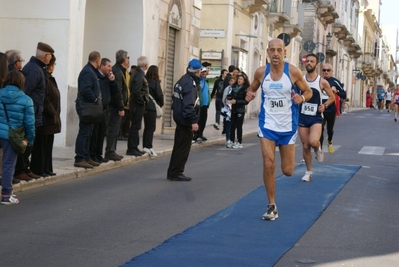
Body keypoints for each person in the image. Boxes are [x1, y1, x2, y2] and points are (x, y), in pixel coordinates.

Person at [245, 38, 312, 220]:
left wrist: (302, 99)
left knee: (288, 171)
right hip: (267, 125)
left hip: (288, 125)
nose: (275, 53)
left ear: (284, 53)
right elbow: (251, 89)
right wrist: (249, 95)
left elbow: (308, 91)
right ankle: (271, 206)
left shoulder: (293, 72)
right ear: (267, 52)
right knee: (268, 164)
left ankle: (291, 166)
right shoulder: (261, 72)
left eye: (279, 50)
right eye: (272, 50)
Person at [16, 42, 54, 180]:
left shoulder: (38, 68)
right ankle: (20, 170)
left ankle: (25, 168)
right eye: (50, 55)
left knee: (30, 143)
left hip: (34, 113)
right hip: (29, 113)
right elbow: (26, 92)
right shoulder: (34, 70)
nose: (51, 59)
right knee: (26, 143)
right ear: (46, 56)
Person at [298, 53, 334, 182]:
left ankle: (318, 148)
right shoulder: (300, 80)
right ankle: (308, 172)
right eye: (307, 61)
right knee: (305, 145)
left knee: (313, 141)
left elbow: (332, 97)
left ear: (316, 64)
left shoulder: (322, 81)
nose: (309, 63)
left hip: (316, 117)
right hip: (302, 116)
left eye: (312, 61)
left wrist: (324, 105)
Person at [0, 70, 35, 204]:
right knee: (8, 165)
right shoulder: (26, 100)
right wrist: (29, 140)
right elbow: (30, 123)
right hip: (11, 136)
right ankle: (6, 195)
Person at [167, 59, 201, 181]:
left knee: (178, 147)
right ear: (197, 71)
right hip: (185, 121)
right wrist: (193, 121)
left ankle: (173, 171)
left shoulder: (182, 80)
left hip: (180, 119)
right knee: (183, 148)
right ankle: (176, 172)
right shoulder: (190, 84)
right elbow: (188, 105)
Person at [30, 55, 61, 177]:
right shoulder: (45, 78)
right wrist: (52, 111)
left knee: (48, 144)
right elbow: (45, 98)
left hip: (52, 118)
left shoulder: (50, 78)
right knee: (41, 145)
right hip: (46, 117)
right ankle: (39, 169)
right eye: (54, 64)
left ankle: (47, 168)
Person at [74, 51, 102, 168]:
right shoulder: (87, 72)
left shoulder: (92, 71)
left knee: (89, 132)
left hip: (89, 106)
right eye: (100, 60)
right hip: (86, 106)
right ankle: (80, 158)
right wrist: (95, 99)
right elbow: (85, 89)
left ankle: (86, 157)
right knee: (84, 132)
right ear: (97, 60)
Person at [91, 58, 117, 163]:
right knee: (95, 133)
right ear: (102, 66)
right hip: (97, 108)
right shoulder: (96, 76)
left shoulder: (107, 78)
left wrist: (112, 81)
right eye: (108, 66)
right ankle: (93, 155)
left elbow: (115, 92)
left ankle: (99, 154)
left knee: (102, 133)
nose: (110, 68)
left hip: (105, 109)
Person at [105, 50, 128, 161]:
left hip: (116, 106)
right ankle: (110, 151)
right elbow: (117, 91)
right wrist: (120, 107)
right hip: (115, 106)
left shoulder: (120, 71)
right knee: (113, 129)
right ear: (124, 59)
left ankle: (112, 150)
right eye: (128, 57)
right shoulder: (117, 72)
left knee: (115, 129)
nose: (129, 60)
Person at [320, 63, 346, 154]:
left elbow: (344, 95)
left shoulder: (335, 81)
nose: (326, 72)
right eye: (324, 70)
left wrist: (337, 91)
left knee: (329, 129)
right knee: (320, 128)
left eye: (328, 70)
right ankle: (319, 150)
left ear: (332, 71)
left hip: (331, 109)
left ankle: (330, 140)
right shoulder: (318, 80)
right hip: (321, 109)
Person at [126, 56, 149, 156]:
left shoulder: (138, 73)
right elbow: (136, 91)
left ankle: (134, 147)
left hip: (136, 104)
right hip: (137, 105)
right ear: (145, 65)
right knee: (135, 126)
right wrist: (142, 101)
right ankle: (132, 148)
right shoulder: (139, 75)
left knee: (136, 126)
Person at [143, 65, 164, 156]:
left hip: (145, 106)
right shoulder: (155, 82)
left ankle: (145, 145)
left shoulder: (145, 80)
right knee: (151, 127)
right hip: (152, 108)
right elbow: (159, 94)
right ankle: (148, 146)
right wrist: (160, 104)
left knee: (147, 127)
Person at [229, 72, 249, 149]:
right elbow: (231, 95)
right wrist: (229, 97)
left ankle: (239, 141)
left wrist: (236, 101)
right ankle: (231, 140)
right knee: (232, 126)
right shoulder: (234, 87)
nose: (239, 80)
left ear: (244, 81)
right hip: (233, 109)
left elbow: (246, 101)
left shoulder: (245, 89)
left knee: (239, 126)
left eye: (241, 79)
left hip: (240, 109)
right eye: (238, 79)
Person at [193, 63, 211, 142]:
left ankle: (200, 134)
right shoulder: (198, 81)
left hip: (205, 104)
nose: (204, 73)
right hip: (199, 104)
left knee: (203, 120)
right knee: (198, 119)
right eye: (202, 72)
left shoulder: (206, 81)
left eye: (205, 72)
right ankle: (196, 134)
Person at [222, 75, 236, 148]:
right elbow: (224, 99)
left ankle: (232, 138)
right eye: (231, 81)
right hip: (228, 108)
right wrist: (227, 106)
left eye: (234, 81)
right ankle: (228, 139)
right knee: (228, 124)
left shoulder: (236, 89)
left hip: (234, 108)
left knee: (234, 125)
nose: (232, 82)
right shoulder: (227, 89)